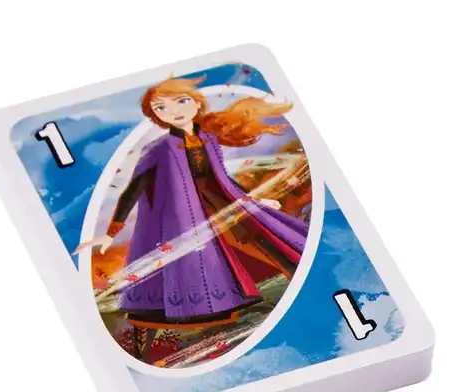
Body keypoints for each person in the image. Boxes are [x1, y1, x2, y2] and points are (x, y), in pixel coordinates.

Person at [76, 75, 309, 356]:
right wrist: (111, 232)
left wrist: (253, 200)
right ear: (156, 116)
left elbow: (220, 178)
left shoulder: (208, 139)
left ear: (197, 103)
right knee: (160, 294)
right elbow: (133, 189)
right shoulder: (157, 149)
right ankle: (143, 350)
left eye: (181, 101)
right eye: (161, 108)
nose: (173, 111)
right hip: (179, 220)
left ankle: (303, 290)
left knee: (271, 238)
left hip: (218, 205)